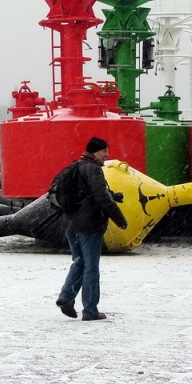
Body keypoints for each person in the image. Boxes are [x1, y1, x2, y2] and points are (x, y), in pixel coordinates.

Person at [56, 136, 128, 321]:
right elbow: (100, 197)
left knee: (79, 262)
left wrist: (114, 196)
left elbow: (88, 192)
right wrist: (120, 219)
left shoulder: (77, 166)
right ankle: (90, 310)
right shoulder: (93, 169)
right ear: (95, 152)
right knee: (91, 268)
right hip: (88, 225)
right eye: (104, 151)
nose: (107, 155)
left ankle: (66, 297)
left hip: (70, 223)